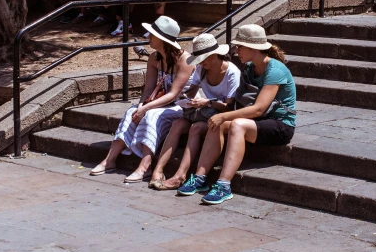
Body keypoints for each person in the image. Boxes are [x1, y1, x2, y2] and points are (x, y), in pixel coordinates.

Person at [177, 24, 296, 205]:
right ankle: (200, 178)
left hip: (280, 124)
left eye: (240, 46)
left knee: (236, 124)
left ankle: (224, 185)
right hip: (258, 121)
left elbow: (258, 109)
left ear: (253, 48)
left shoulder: (275, 70)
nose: (236, 50)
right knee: (215, 123)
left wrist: (224, 115)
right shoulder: (249, 68)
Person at [90, 16, 195, 183]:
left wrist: (146, 109)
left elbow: (173, 94)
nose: (148, 37)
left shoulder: (186, 60)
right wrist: (141, 105)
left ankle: (144, 166)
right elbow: (148, 88)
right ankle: (109, 159)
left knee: (152, 116)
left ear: (162, 39)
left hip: (181, 105)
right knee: (132, 111)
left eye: (152, 34)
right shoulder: (154, 58)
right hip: (159, 102)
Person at [151, 33, 241, 190]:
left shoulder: (232, 73)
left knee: (195, 128)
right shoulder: (201, 69)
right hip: (205, 111)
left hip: (223, 115)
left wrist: (208, 102)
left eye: (204, 58)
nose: (201, 62)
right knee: (177, 124)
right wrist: (187, 99)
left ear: (215, 55)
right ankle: (157, 171)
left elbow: (230, 107)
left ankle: (180, 175)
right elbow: (192, 89)